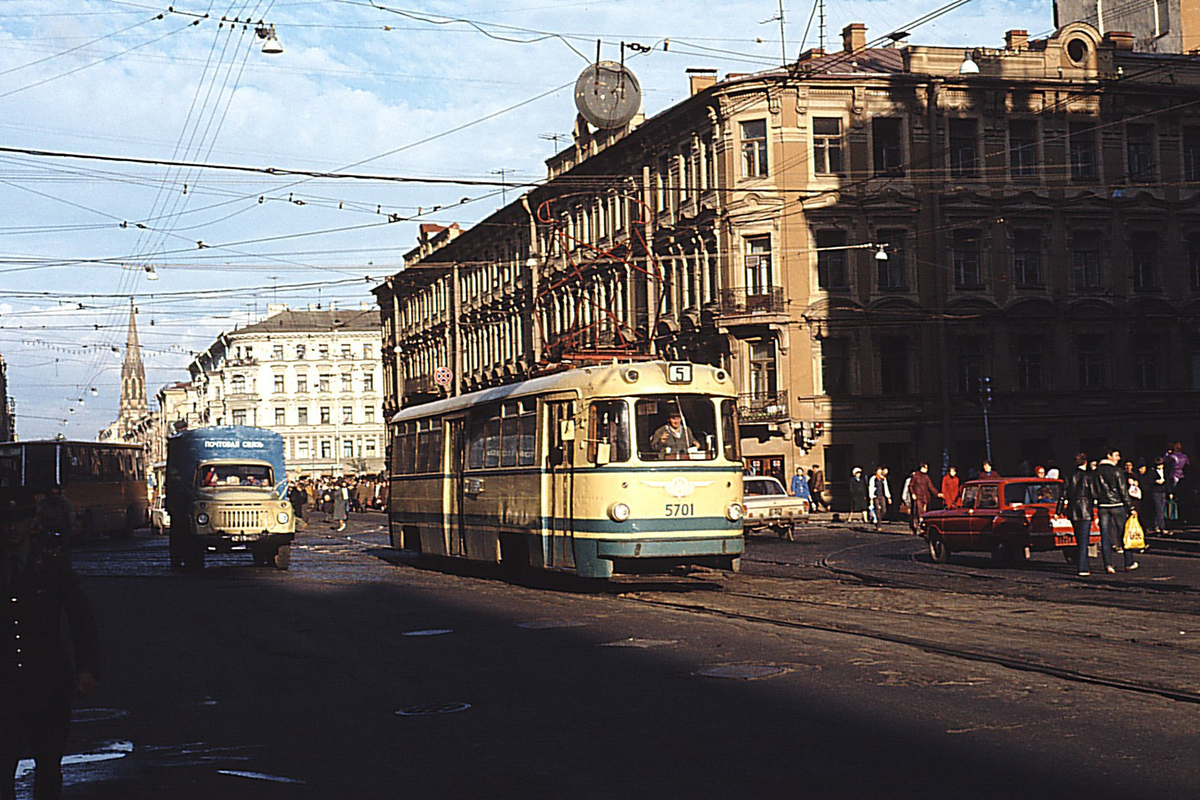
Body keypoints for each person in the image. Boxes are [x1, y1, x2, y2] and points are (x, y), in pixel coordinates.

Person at [0, 489, 100, 800]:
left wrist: (88, 668)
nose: (12, 529)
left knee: (48, 767)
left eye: (19, 521)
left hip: (47, 682)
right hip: (4, 686)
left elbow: (81, 618)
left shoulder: (53, 563)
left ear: (32, 521)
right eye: (6, 522)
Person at [1093, 447, 1138, 573]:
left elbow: (1094, 490)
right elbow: (1123, 491)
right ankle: (1128, 562)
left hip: (1103, 506)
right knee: (1124, 534)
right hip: (1117, 504)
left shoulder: (1096, 471)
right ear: (1109, 455)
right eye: (1116, 455)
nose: (1118, 458)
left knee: (1105, 536)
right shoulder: (1117, 471)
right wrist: (1131, 507)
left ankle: (1108, 564)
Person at [1062, 452, 1097, 576]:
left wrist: (1059, 510)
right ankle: (1083, 567)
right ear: (1085, 462)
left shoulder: (1069, 476)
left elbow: (1063, 495)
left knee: (1078, 538)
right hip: (1085, 509)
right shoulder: (1088, 476)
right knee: (1084, 540)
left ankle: (1080, 563)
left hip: (1073, 509)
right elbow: (1093, 494)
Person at [907, 463, 938, 534]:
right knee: (918, 512)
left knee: (923, 512)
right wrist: (913, 494)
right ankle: (918, 527)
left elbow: (931, 486)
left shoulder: (926, 477)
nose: (927, 469)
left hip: (925, 497)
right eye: (925, 468)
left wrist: (936, 493)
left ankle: (921, 527)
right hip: (918, 496)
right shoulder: (915, 476)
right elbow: (911, 486)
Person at [1147, 457, 1169, 535]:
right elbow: (1149, 481)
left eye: (1161, 465)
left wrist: (1170, 492)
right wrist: (1156, 481)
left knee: (1161, 509)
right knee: (1158, 509)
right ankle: (1162, 527)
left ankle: (1157, 525)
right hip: (1156, 491)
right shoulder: (1152, 472)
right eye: (1158, 465)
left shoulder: (1165, 471)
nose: (1160, 467)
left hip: (1163, 491)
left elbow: (1168, 482)